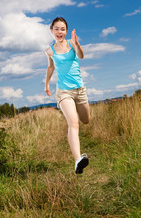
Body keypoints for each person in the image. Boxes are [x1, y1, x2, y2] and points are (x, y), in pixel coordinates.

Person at [45, 17, 90, 174]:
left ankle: (78, 157)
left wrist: (77, 44)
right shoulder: (49, 51)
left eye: (62, 29)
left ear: (66, 31)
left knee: (85, 120)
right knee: (74, 123)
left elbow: (81, 56)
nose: (59, 32)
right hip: (63, 92)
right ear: (52, 31)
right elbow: (50, 68)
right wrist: (46, 85)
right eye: (56, 29)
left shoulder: (72, 43)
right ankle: (78, 160)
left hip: (79, 90)